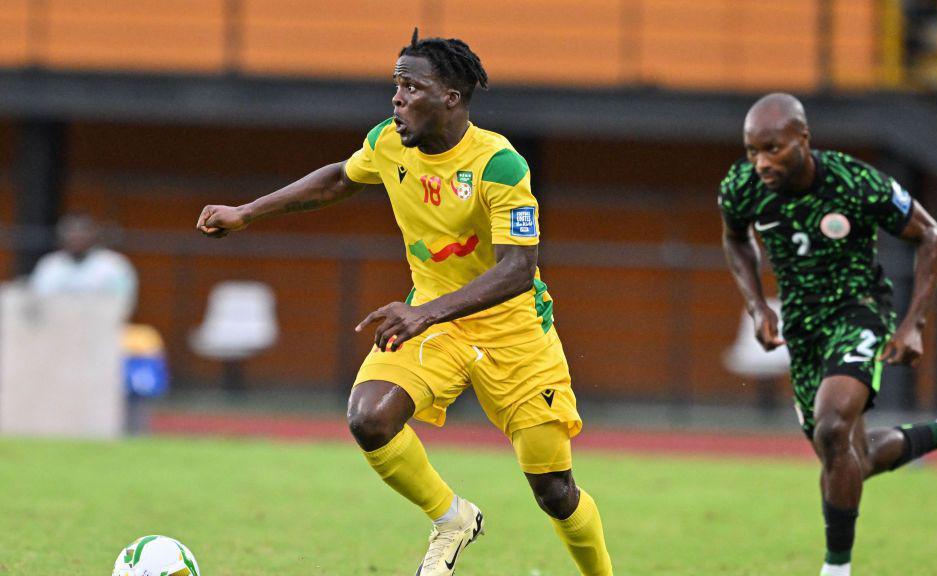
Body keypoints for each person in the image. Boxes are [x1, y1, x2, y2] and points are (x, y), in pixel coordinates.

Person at [196, 29, 613, 576]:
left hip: (514, 333)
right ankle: (452, 518)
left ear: (451, 98)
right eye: (394, 85)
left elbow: (518, 269)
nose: (396, 98)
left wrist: (422, 312)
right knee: (369, 418)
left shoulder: (499, 164)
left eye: (410, 86)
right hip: (435, 323)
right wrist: (247, 212)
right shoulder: (388, 141)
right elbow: (338, 181)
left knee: (554, 492)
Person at [718, 93, 937, 576]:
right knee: (849, 458)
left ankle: (836, 569)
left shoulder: (855, 182)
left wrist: (913, 324)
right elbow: (735, 236)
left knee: (832, 428)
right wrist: (758, 304)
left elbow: (931, 235)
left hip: (859, 311)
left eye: (772, 149)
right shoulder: (742, 187)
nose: (760, 163)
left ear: (803, 139)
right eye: (751, 151)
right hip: (802, 329)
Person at [29, 213, 138, 322]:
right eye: (71, 232)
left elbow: (123, 304)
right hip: (58, 328)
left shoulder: (113, 265)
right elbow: (39, 302)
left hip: (100, 328)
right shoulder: (50, 265)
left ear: (93, 234)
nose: (76, 237)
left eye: (82, 232)